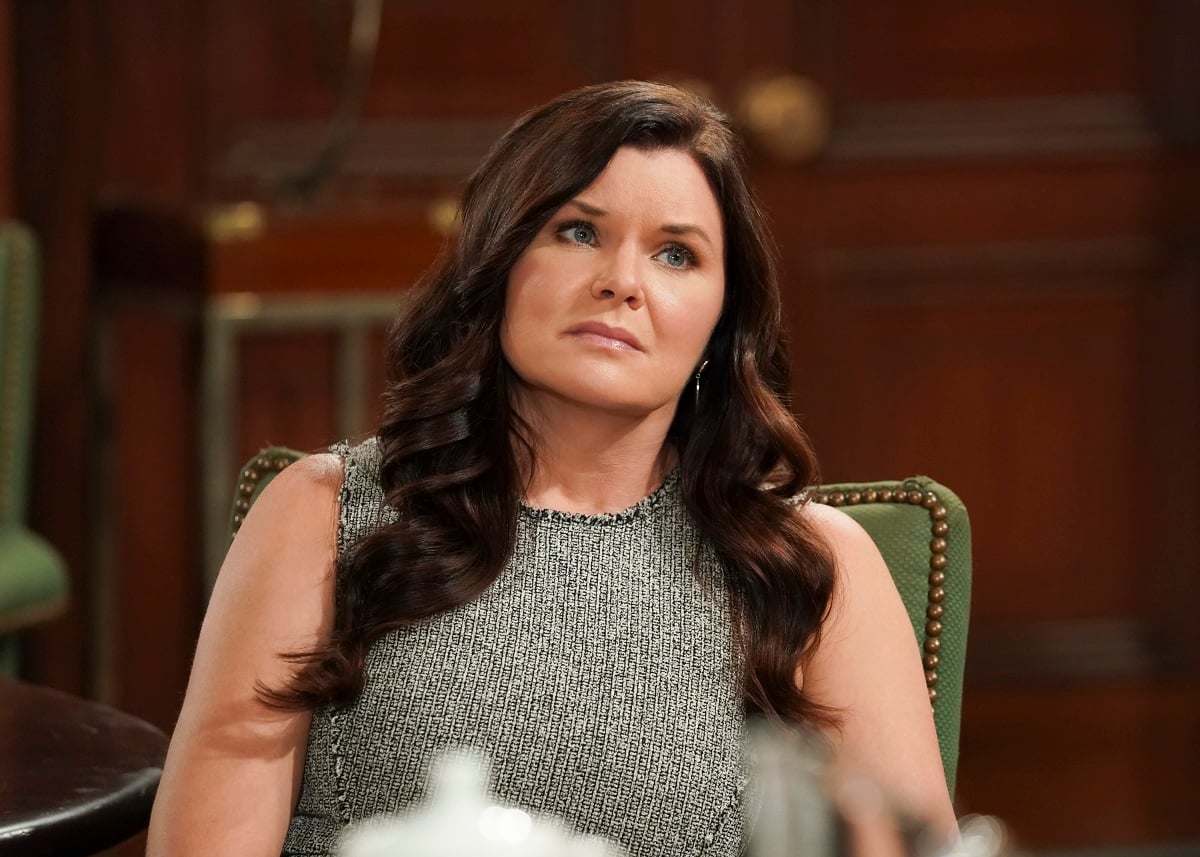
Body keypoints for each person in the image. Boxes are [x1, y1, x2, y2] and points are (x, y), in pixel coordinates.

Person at [146, 80, 955, 856]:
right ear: (498, 261)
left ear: (721, 320)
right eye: (578, 232)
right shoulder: (323, 512)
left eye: (676, 254)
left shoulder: (809, 564)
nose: (622, 282)